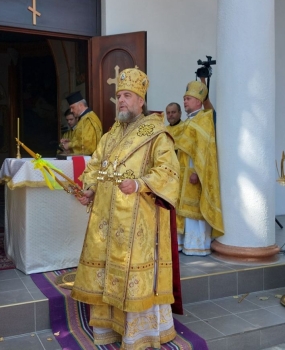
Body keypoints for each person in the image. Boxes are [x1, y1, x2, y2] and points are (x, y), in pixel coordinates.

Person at [71, 68, 181, 348]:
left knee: (132, 276)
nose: (121, 100)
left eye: (127, 96)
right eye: (119, 96)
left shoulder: (156, 132)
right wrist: (90, 189)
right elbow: (96, 165)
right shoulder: (110, 135)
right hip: (106, 222)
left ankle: (138, 333)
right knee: (107, 271)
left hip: (138, 221)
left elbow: (168, 171)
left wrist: (140, 183)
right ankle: (109, 327)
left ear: (140, 101)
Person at [174, 80, 224, 256]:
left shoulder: (205, 118)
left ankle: (198, 246)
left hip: (194, 173)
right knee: (184, 212)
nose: (185, 102)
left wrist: (196, 170)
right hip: (183, 172)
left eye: (188, 99)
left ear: (198, 101)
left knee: (194, 212)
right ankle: (185, 244)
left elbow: (204, 149)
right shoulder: (189, 121)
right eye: (184, 99)